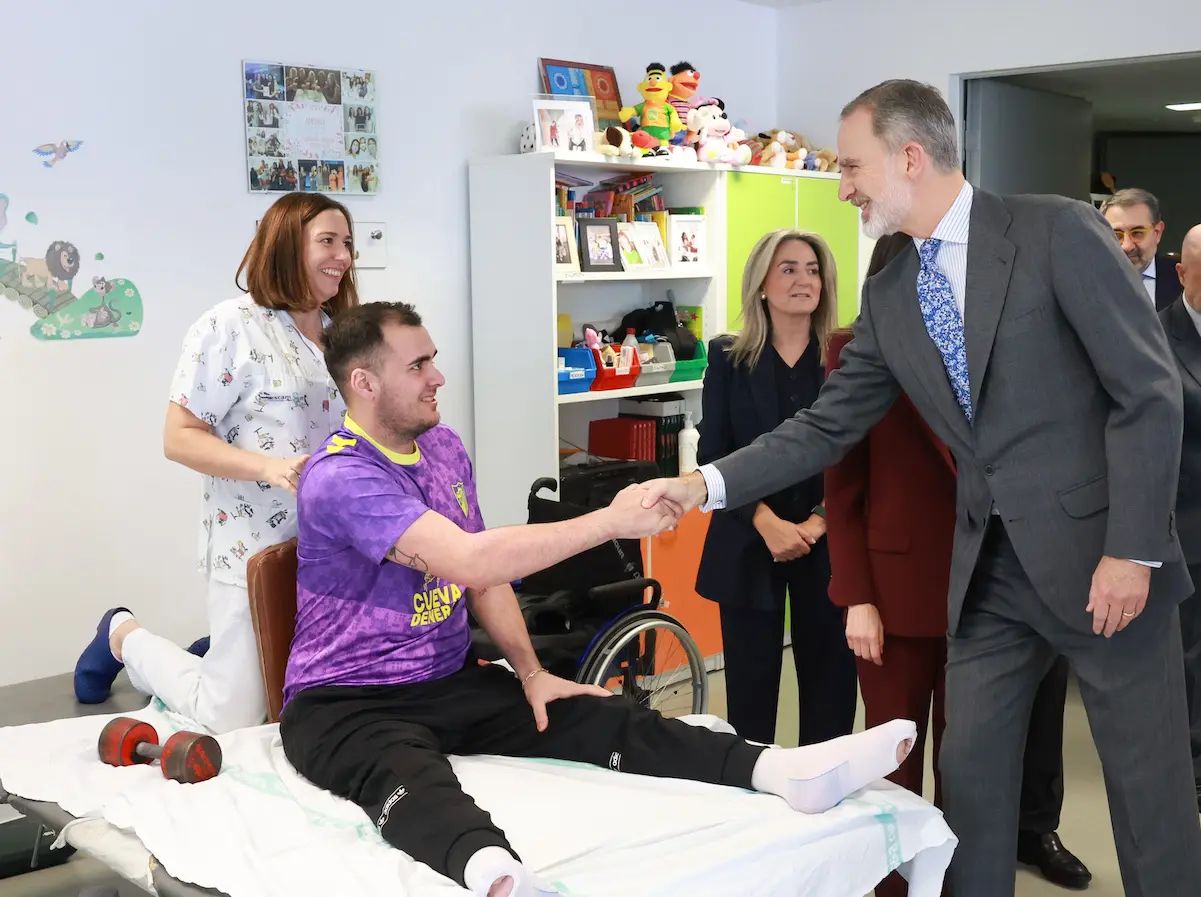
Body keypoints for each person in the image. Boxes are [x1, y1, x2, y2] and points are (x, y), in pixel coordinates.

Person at [640, 79, 1201, 897]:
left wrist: (1131, 548)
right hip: (989, 578)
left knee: (1145, 792)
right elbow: (827, 426)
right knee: (966, 786)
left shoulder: (1054, 230)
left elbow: (1146, 391)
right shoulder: (892, 287)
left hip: (1101, 561)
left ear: (909, 156)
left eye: (852, 165)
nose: (843, 186)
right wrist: (702, 484)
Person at [277, 301, 918, 897]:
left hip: (444, 681)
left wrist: (532, 674)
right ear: (363, 382)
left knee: (601, 714)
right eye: (418, 366)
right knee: (407, 775)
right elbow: (470, 558)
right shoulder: (343, 477)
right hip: (343, 700)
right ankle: (494, 873)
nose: (438, 376)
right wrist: (608, 522)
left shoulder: (441, 448)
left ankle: (778, 771)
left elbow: (482, 579)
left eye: (433, 358)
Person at [826, 233, 1090, 894]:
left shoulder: (986, 346)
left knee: (971, 761)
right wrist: (855, 596)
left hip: (986, 587)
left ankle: (951, 879)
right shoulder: (852, 354)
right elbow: (842, 488)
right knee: (894, 754)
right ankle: (890, 881)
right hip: (891, 595)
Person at [73, 192, 359, 734]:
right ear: (284, 247)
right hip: (251, 541)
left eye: (347, 243)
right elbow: (179, 438)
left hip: (329, 544)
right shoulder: (231, 327)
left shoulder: (340, 334)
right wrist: (268, 468)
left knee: (307, 699)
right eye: (327, 241)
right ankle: (123, 634)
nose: (343, 256)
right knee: (234, 717)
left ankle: (218, 652)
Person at [695, 228, 857, 747]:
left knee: (830, 691)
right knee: (749, 699)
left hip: (827, 541)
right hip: (748, 538)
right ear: (761, 284)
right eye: (788, 268)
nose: (803, 279)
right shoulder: (727, 358)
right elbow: (714, 454)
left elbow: (859, 451)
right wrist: (764, 521)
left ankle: (827, 805)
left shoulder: (848, 358)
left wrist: (819, 520)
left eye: (812, 270)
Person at [1161, 223, 1201, 810]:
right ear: (1184, 272)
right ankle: (1190, 766)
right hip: (1185, 524)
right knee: (1188, 659)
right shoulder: (1153, 335)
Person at [1101, 188, 1181, 311]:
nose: (1126, 246)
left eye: (1137, 233)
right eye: (1116, 234)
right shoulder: (1087, 281)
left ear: (1158, 232)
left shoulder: (1182, 280)